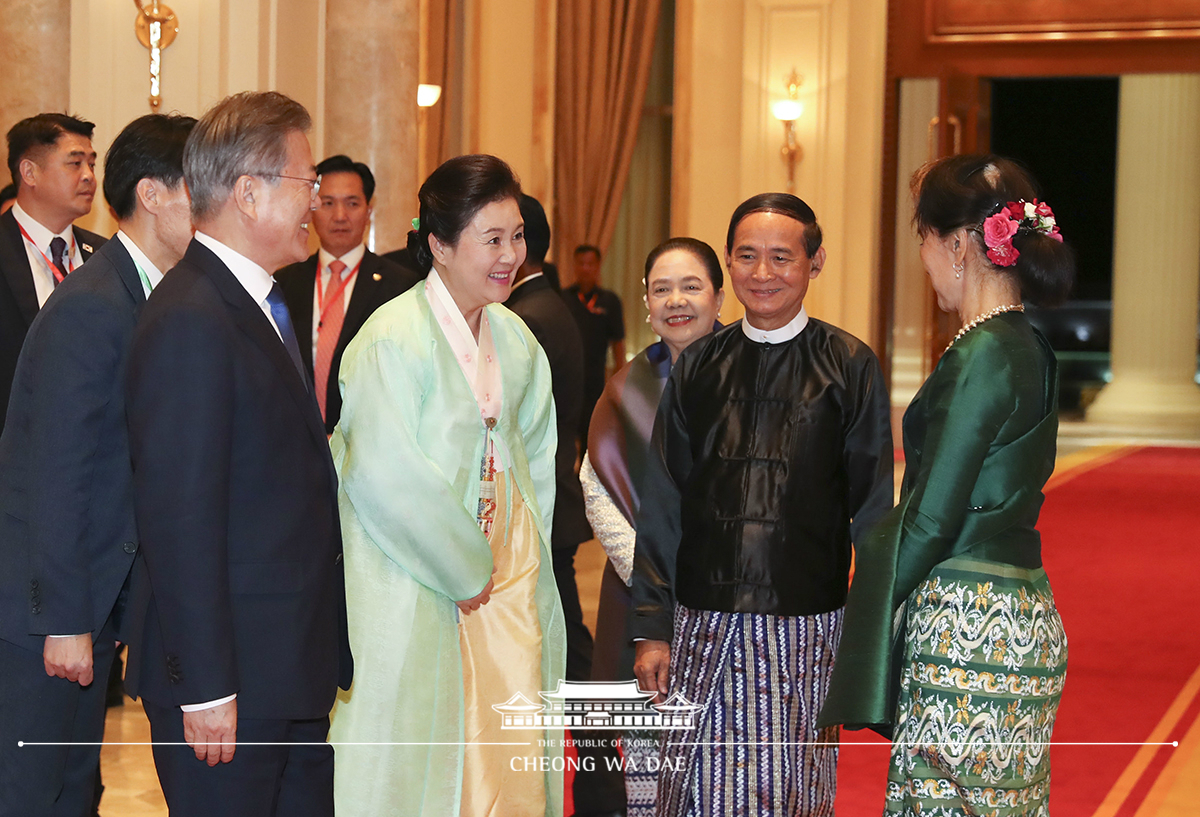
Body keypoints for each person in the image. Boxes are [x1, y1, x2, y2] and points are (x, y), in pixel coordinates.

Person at [818, 155, 1073, 815]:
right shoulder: (1031, 346)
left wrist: (853, 614)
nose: (925, 261)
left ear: (958, 244)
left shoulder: (981, 354)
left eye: (924, 243)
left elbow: (930, 518)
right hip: (1023, 619)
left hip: (966, 629)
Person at [123, 91, 352, 817]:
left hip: (283, 668)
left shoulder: (255, 300)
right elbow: (178, 516)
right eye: (306, 182)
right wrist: (207, 683)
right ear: (249, 193)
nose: (316, 201)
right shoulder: (192, 315)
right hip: (232, 686)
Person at [630, 194, 894, 816]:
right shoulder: (698, 366)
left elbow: (875, 509)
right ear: (729, 263)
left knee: (787, 793)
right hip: (702, 623)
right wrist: (651, 625)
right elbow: (663, 502)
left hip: (804, 626)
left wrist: (868, 634)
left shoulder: (849, 365)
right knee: (694, 793)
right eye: (747, 256)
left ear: (815, 261)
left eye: (782, 256)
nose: (764, 272)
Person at [327, 154, 566, 817]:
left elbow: (537, 464)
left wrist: (518, 569)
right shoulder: (390, 339)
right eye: (492, 238)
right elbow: (382, 472)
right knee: (413, 753)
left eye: (516, 236)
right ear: (439, 243)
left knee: (498, 749)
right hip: (413, 586)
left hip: (502, 595)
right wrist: (464, 565)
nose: (510, 255)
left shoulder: (516, 339)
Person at [0, 112, 195, 817]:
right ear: (153, 194)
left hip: (88, 599)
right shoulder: (94, 304)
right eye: (196, 189)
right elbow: (55, 467)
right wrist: (64, 617)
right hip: (44, 611)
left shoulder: (141, 290)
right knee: (32, 788)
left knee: (75, 787)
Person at [580, 237, 725, 817]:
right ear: (645, 303)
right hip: (645, 599)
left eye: (691, 286)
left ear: (718, 296)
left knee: (727, 758)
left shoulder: (756, 375)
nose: (676, 301)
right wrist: (655, 575)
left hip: (737, 604)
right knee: (651, 757)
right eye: (661, 289)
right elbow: (596, 488)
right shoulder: (626, 388)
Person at [276, 154, 422, 433]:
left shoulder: (400, 285)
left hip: (368, 441)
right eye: (328, 203)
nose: (340, 216)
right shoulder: (283, 282)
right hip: (293, 441)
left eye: (352, 203)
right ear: (312, 207)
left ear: (368, 211)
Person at [0, 113, 104, 434]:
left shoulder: (104, 255)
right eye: (75, 164)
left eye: (92, 163)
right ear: (29, 172)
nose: (88, 176)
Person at [563, 244, 626, 449]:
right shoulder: (564, 298)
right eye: (581, 263)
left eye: (590, 263)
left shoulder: (610, 301)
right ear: (575, 266)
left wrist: (620, 379)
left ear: (598, 266)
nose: (585, 268)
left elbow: (618, 343)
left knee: (592, 439)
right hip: (567, 381)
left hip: (595, 382)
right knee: (565, 440)